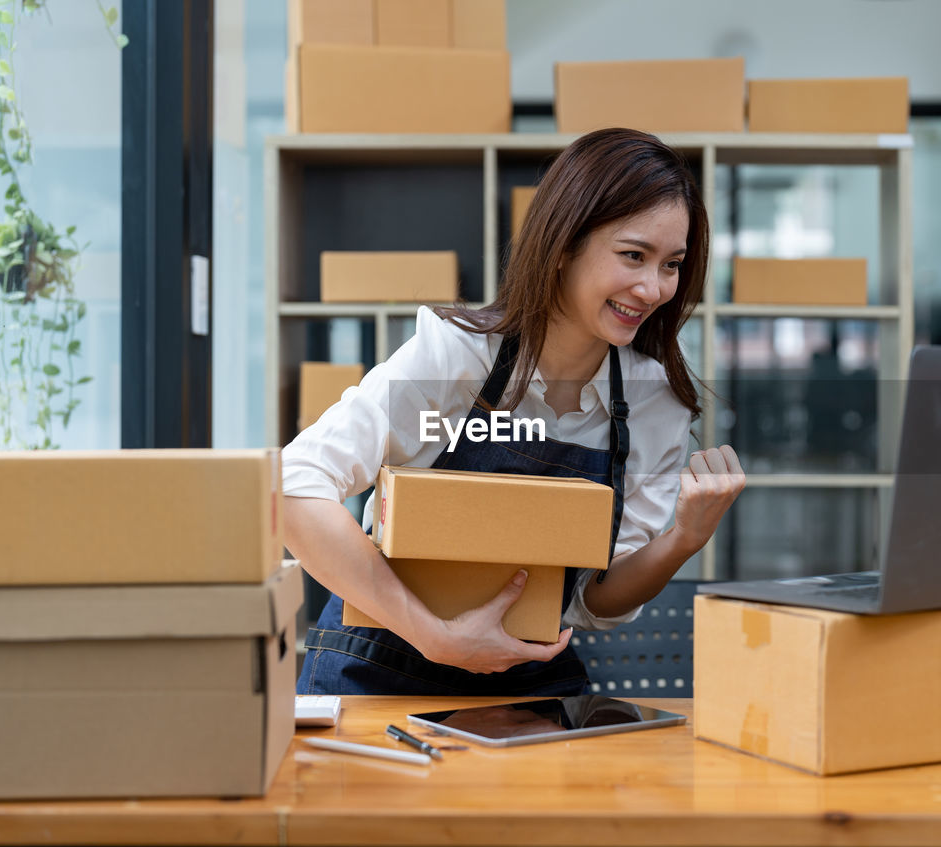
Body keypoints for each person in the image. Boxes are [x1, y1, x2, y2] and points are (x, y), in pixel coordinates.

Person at [283, 127, 745, 696]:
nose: (653, 289)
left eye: (672, 265)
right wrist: (433, 635)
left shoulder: (653, 402)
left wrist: (682, 538)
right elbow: (294, 486)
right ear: (563, 246)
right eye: (633, 255)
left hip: (525, 683)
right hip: (379, 674)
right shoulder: (457, 356)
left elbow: (593, 600)